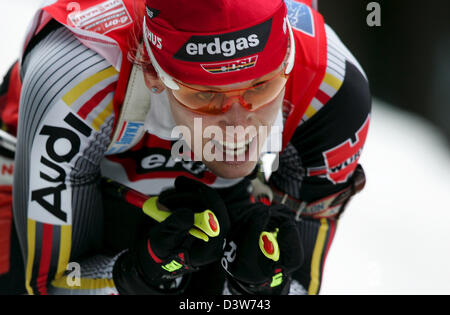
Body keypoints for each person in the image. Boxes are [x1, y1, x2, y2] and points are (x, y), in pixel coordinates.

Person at [0, 0, 371, 295]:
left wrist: (256, 289)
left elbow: (300, 284)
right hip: (49, 164)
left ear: (287, 61)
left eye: (261, 88)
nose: (239, 127)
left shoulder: (331, 89)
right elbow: (51, 283)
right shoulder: (77, 77)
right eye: (206, 95)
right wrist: (134, 277)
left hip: (225, 191)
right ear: (152, 73)